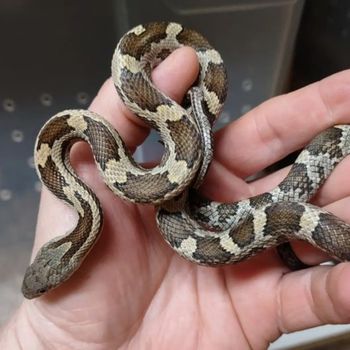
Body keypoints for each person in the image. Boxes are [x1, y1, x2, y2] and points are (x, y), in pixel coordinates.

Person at [1, 47, 350, 349]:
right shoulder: (74, 167)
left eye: (48, 284)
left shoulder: (80, 158)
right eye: (48, 282)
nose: (41, 290)